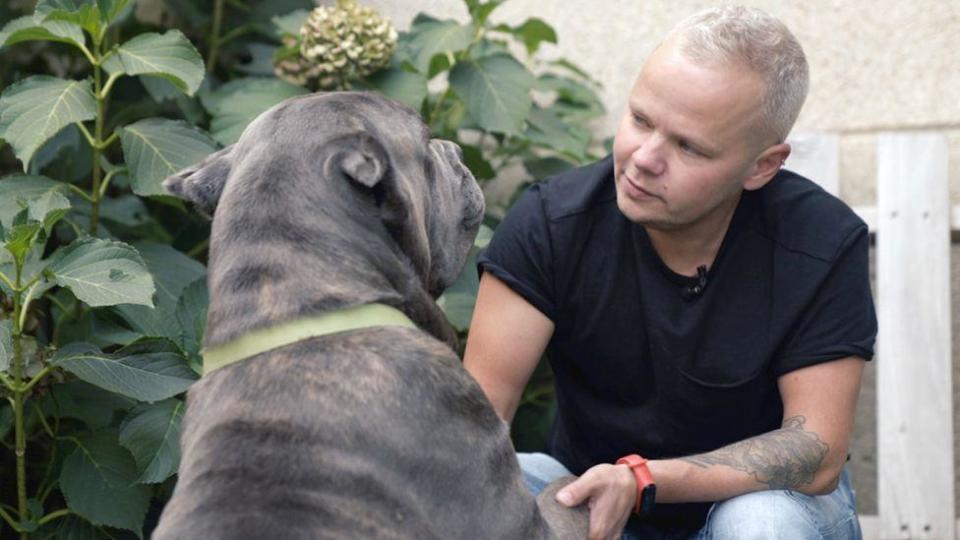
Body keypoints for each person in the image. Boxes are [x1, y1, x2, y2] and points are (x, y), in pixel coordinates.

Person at [463, 5, 876, 540]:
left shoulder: (819, 243)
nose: (644, 158)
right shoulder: (552, 224)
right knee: (513, 487)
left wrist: (643, 479)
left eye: (688, 146)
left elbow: (814, 451)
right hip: (595, 492)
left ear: (762, 166)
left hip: (763, 505)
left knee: (760, 523)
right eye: (640, 120)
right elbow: (475, 422)